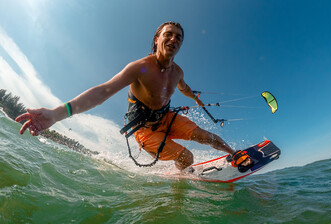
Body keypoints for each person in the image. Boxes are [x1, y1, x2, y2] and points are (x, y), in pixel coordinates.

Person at [16, 21, 252, 171]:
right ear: (157, 39)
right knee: (187, 158)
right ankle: (182, 179)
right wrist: (57, 114)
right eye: (168, 34)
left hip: (167, 118)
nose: (174, 39)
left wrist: (196, 99)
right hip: (144, 130)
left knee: (209, 138)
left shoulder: (177, 72)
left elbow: (185, 88)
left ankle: (235, 155)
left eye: (178, 37)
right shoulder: (139, 67)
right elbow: (103, 91)